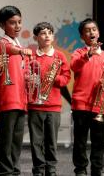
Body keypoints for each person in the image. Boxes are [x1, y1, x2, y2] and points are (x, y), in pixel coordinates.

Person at [70, 18, 104, 176]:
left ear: (98, 33)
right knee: (80, 140)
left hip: (99, 104)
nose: (91, 32)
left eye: (94, 29)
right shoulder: (78, 53)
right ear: (82, 36)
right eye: (87, 30)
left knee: (98, 140)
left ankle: (97, 169)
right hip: (81, 103)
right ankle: (80, 169)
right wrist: (88, 54)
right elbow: (74, 66)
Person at [27, 22, 71, 176]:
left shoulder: (59, 56)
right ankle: (38, 169)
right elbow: (25, 76)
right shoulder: (31, 55)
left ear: (53, 36)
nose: (47, 36)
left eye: (50, 33)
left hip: (53, 106)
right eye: (43, 33)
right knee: (36, 141)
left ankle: (51, 169)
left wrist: (53, 78)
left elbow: (66, 78)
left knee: (51, 141)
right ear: (35, 37)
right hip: (35, 105)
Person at [0, 5, 32, 175]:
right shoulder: (2, 43)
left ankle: (14, 170)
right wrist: (21, 51)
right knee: (6, 139)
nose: (17, 26)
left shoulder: (18, 44)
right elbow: (7, 49)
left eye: (19, 22)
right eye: (12, 23)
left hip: (21, 99)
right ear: (3, 25)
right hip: (8, 98)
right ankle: (5, 171)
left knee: (17, 139)